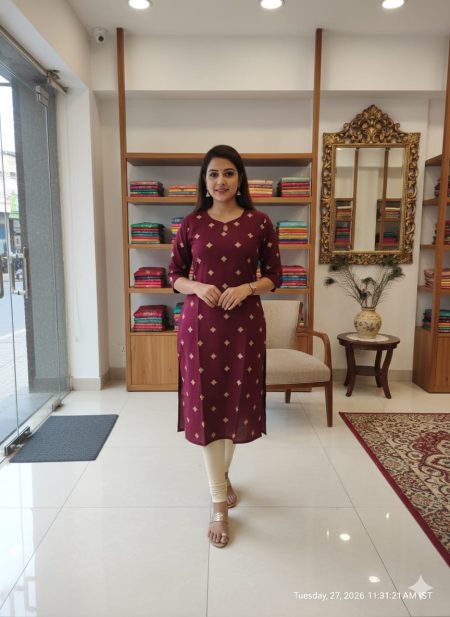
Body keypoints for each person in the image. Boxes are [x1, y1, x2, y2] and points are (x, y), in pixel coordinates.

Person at [168, 144, 282, 548]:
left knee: (235, 404)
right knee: (207, 406)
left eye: (229, 173)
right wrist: (197, 286)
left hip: (244, 327)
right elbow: (173, 274)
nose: (221, 181)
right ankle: (219, 502)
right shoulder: (192, 223)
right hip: (200, 327)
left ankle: (221, 475)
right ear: (204, 180)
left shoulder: (259, 222)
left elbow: (275, 275)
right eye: (213, 173)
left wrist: (247, 288)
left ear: (240, 179)